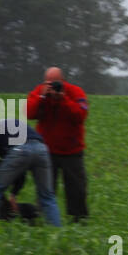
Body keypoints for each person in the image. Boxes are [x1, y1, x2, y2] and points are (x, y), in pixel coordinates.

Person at [26, 67, 89, 221]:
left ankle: (79, 220)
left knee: (77, 190)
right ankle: (44, 220)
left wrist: (63, 99)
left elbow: (81, 115)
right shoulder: (39, 92)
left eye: (56, 83)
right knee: (45, 190)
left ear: (63, 81)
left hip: (72, 151)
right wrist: (42, 96)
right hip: (46, 151)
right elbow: (29, 113)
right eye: (49, 83)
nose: (52, 87)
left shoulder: (75, 92)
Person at [0, 120, 62, 226]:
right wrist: (14, 193)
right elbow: (20, 171)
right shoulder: (8, 127)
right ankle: (57, 231)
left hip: (21, 150)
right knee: (47, 196)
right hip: (42, 149)